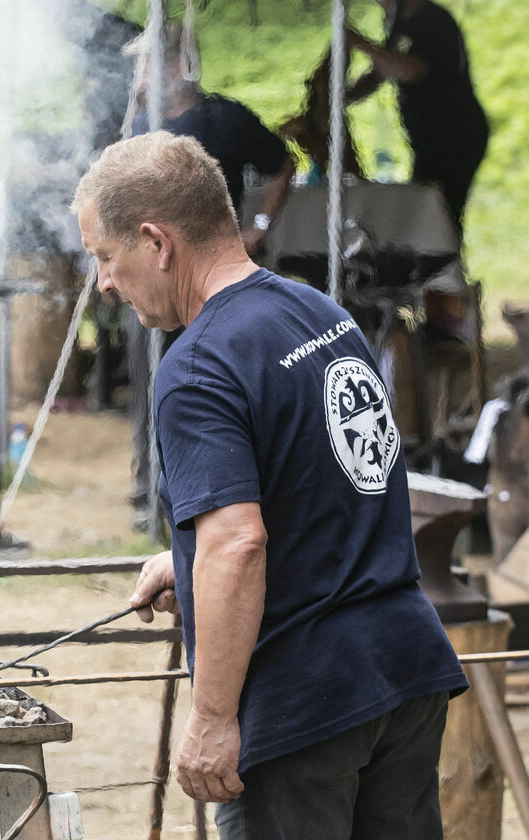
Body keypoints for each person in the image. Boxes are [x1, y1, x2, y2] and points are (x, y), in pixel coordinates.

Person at [72, 131, 466, 837]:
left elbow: (239, 545)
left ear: (157, 243)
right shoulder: (318, 313)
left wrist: (213, 719)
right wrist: (188, 558)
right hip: (403, 668)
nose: (104, 281)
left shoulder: (195, 369)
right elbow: (333, 479)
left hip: (305, 703)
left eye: (106, 255)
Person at [121, 23, 296, 531]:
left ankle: (217, 486)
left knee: (216, 377)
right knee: (148, 380)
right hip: (152, 282)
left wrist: (256, 228)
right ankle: (149, 489)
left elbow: (284, 165)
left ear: (177, 67)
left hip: (214, 283)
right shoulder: (139, 128)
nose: (140, 77)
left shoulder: (225, 119)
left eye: (148, 65)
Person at [347, 0, 488, 231]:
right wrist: (344, 97)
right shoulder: (400, 22)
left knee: (437, 216)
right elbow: (383, 70)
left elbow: (408, 69)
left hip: (455, 137)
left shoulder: (434, 22)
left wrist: (357, 42)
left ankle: (442, 261)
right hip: (430, 140)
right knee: (426, 213)